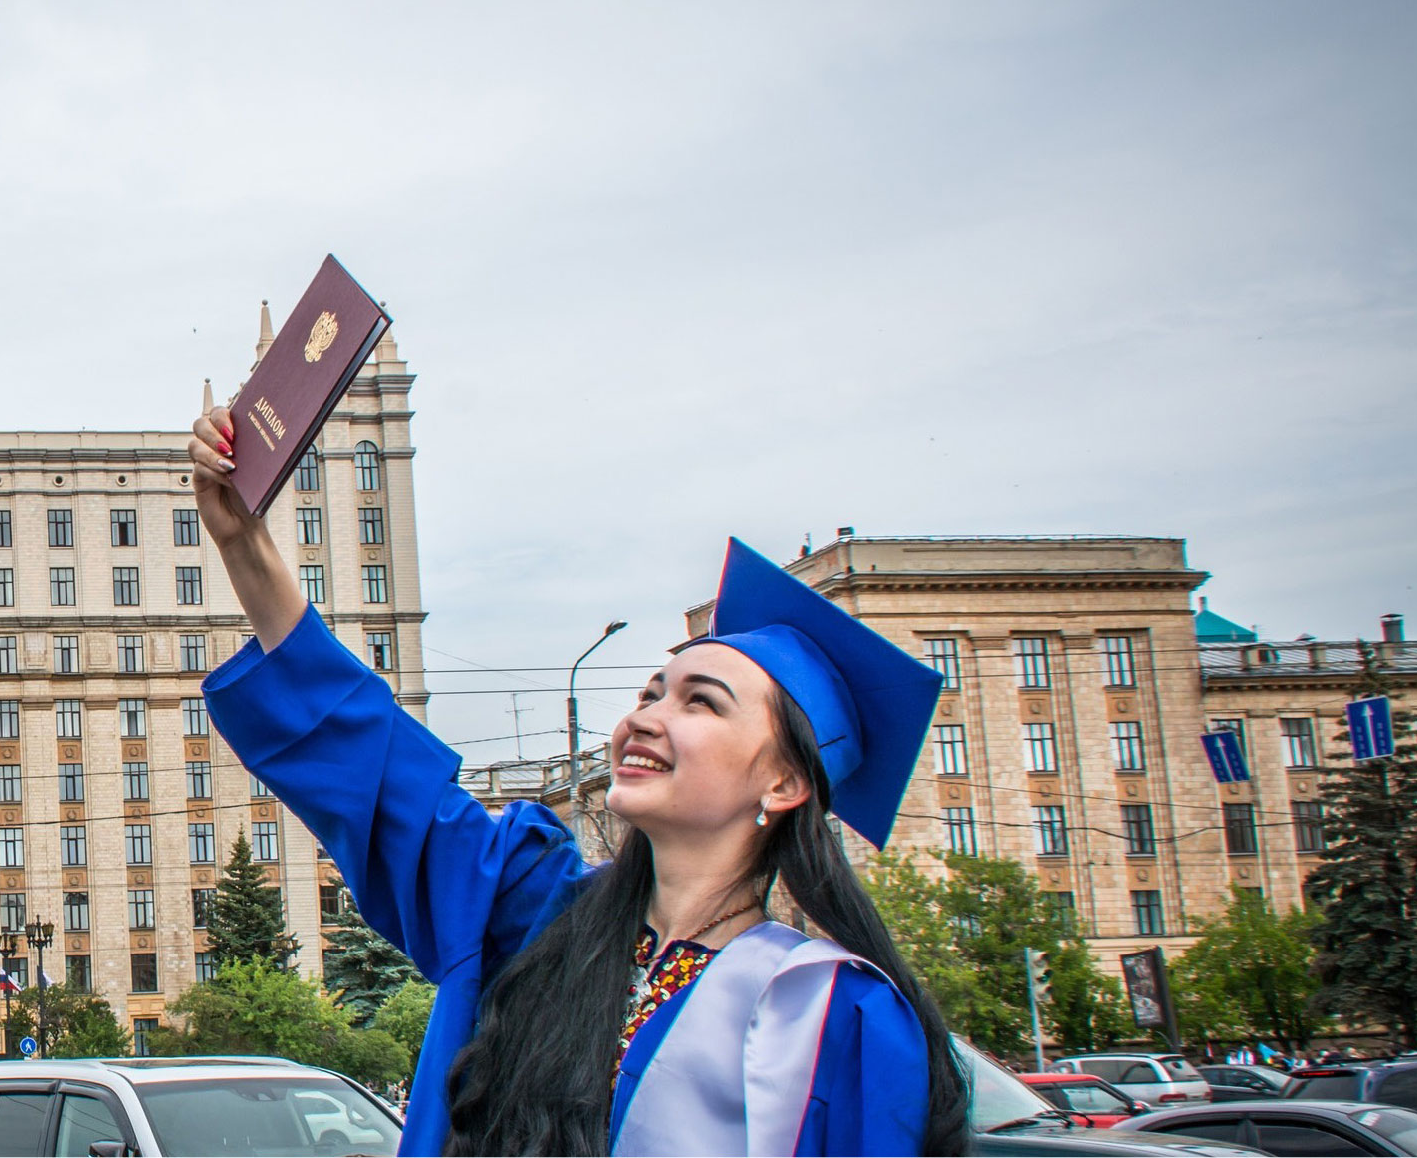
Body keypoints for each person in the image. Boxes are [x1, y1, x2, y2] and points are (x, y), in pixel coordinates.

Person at [185, 410, 969, 1156]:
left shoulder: (827, 1017)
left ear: (785, 780)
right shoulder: (535, 916)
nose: (646, 716)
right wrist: (243, 542)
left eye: (700, 701)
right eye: (651, 691)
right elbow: (381, 770)